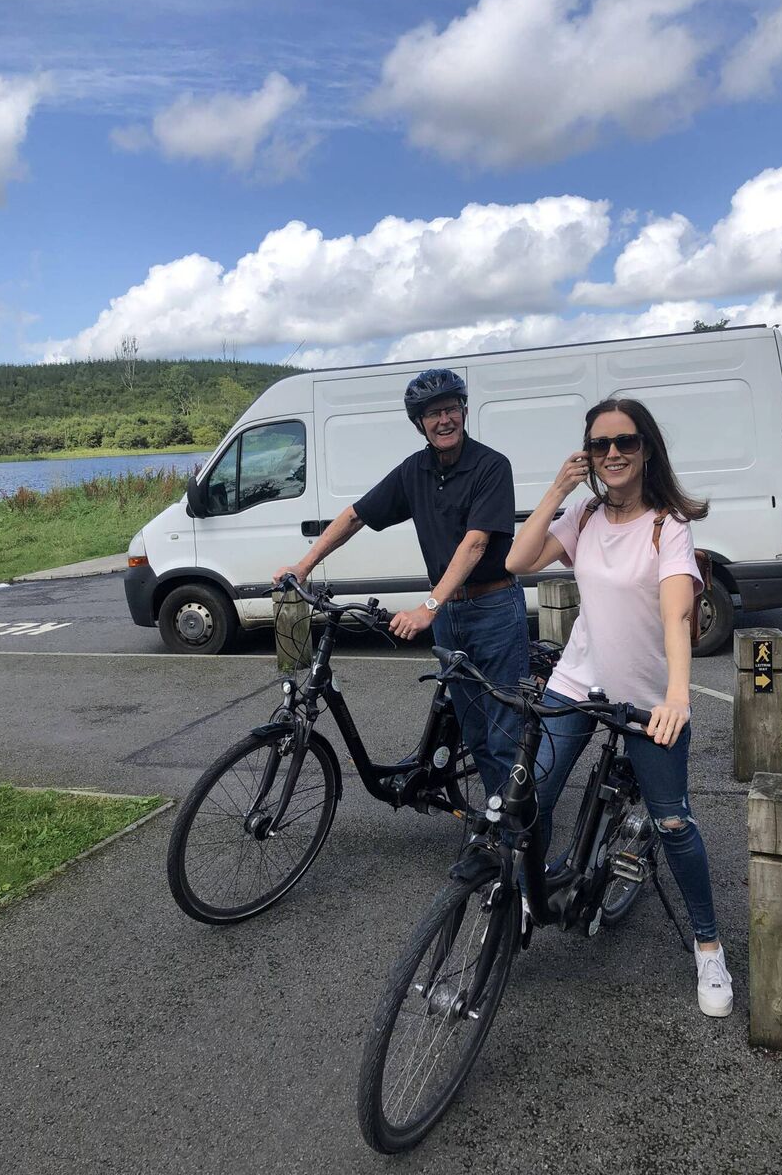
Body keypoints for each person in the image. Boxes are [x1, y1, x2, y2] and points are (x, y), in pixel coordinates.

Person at [506, 397, 733, 1018]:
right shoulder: (581, 516)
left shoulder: (667, 526)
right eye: (600, 444)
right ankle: (528, 898)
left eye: (625, 443)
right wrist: (557, 487)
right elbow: (516, 561)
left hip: (649, 697)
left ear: (646, 450)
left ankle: (708, 944)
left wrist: (679, 697)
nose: (613, 454)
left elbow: (675, 612)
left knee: (673, 823)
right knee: (530, 799)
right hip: (579, 681)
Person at [273, 368, 529, 796]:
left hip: (494, 609)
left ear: (464, 412)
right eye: (432, 414)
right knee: (476, 732)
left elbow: (476, 544)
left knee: (504, 734)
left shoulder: (491, 466)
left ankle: (518, 841)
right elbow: (356, 515)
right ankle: (495, 818)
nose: (443, 420)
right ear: (419, 424)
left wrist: (428, 607)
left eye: (450, 409)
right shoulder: (415, 471)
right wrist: (304, 565)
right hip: (452, 615)